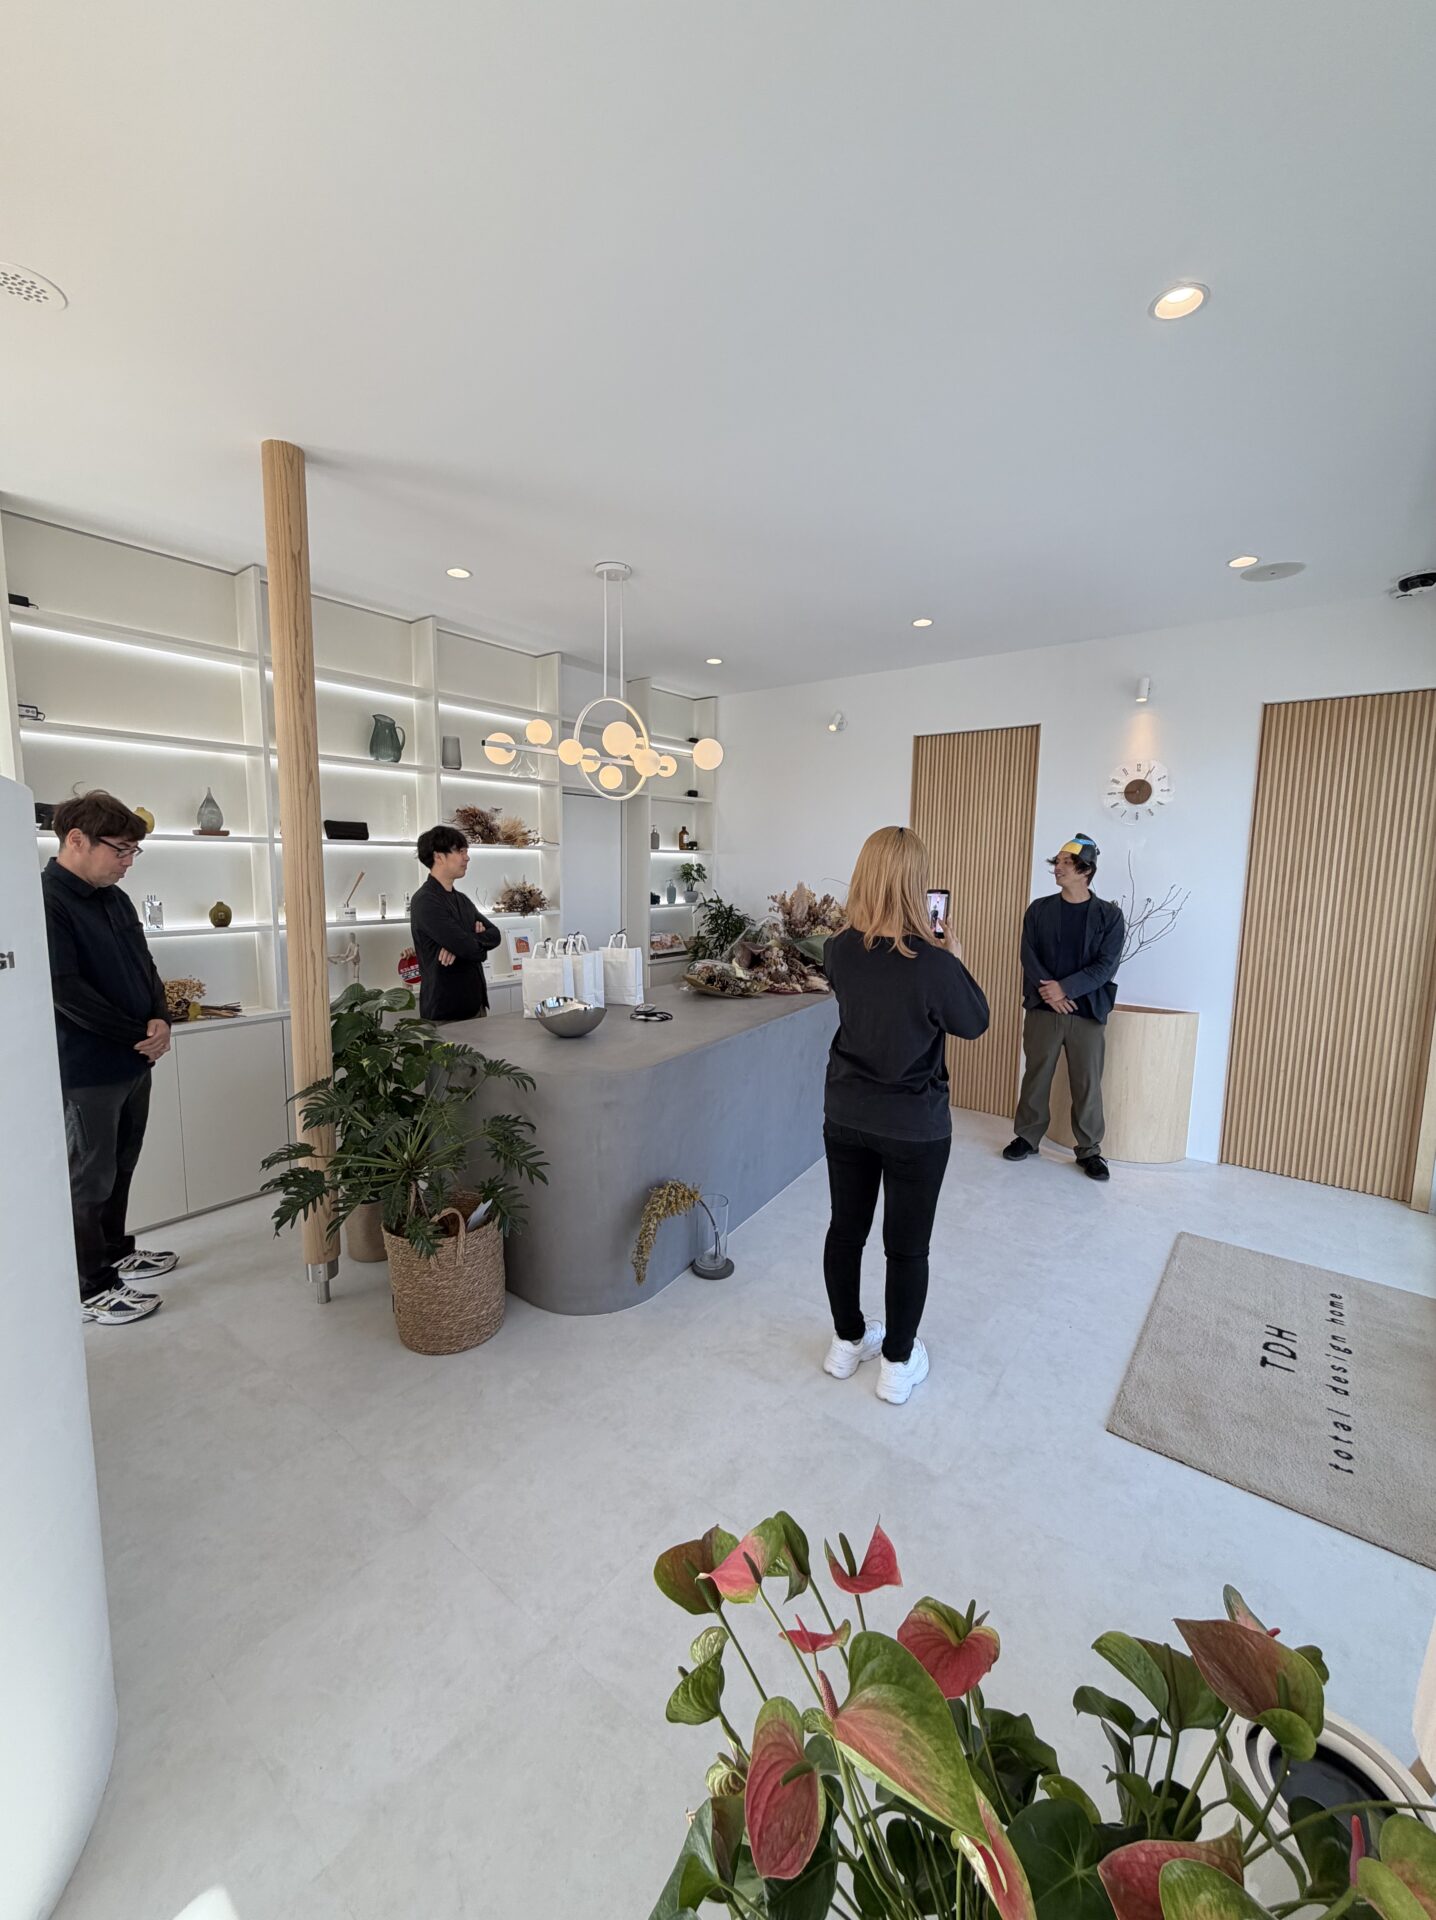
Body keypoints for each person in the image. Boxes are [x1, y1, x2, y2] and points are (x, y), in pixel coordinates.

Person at [820, 826, 990, 1405]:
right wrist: (954, 960)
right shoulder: (934, 964)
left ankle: (846, 1343)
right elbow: (974, 1022)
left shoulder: (838, 949)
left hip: (847, 1112)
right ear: (918, 886)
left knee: (846, 1230)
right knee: (907, 1247)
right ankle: (896, 1362)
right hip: (915, 1124)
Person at [42, 790, 177, 1326]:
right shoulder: (46, 900)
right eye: (120, 850)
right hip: (89, 1067)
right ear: (77, 840)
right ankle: (90, 1285)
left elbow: (146, 964)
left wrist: (161, 1018)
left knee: (123, 1162)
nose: (127, 862)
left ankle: (117, 1251)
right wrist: (136, 1033)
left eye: (132, 851)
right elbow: (65, 989)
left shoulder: (115, 898)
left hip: (134, 1059)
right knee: (89, 1176)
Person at [1002, 832, 1125, 1181]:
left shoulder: (1109, 916)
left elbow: (1106, 966)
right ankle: (1027, 1137)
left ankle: (1089, 1150)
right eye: (1057, 861)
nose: (1058, 867)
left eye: (1066, 862)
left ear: (1086, 869)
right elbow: (1028, 955)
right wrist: (1051, 994)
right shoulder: (1039, 910)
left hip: (1088, 1013)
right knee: (1036, 1074)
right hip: (1044, 1009)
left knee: (1087, 1081)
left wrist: (1065, 988)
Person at [410, 825, 503, 1022]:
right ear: (439, 857)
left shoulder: (462, 899)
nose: (467, 858)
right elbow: (471, 950)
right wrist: (470, 945)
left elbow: (495, 934)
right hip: (445, 1011)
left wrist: (461, 943)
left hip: (475, 1005)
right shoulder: (425, 901)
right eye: (460, 851)